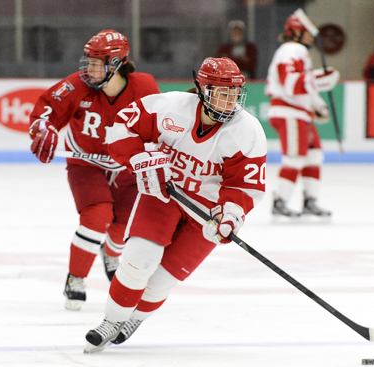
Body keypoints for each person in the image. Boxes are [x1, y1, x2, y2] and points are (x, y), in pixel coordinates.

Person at [83, 57, 267, 353]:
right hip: (164, 194)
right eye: (222, 92)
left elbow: (243, 186)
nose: (230, 101)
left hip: (206, 211)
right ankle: (111, 320)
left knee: (164, 279)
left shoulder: (247, 131)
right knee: (139, 259)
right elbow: (121, 128)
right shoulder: (169, 107)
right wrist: (138, 159)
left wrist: (230, 216)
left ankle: (136, 318)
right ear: (203, 90)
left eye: (234, 93)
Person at [28, 29, 160, 311]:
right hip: (85, 163)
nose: (89, 68)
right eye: (88, 60)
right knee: (98, 215)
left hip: (125, 165)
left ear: (116, 63)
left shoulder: (145, 86)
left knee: (126, 223)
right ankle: (75, 277)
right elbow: (44, 111)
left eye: (97, 62)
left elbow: (159, 126)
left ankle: (111, 252)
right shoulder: (76, 85)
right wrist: (43, 129)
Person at [265, 13, 339, 218]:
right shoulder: (291, 50)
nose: (311, 38)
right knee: (295, 157)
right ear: (297, 32)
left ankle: (310, 201)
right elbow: (291, 84)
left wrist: (318, 105)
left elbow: (305, 86)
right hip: (289, 112)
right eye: (307, 32)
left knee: (314, 155)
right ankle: (280, 201)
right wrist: (318, 78)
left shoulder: (299, 51)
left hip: (300, 113)